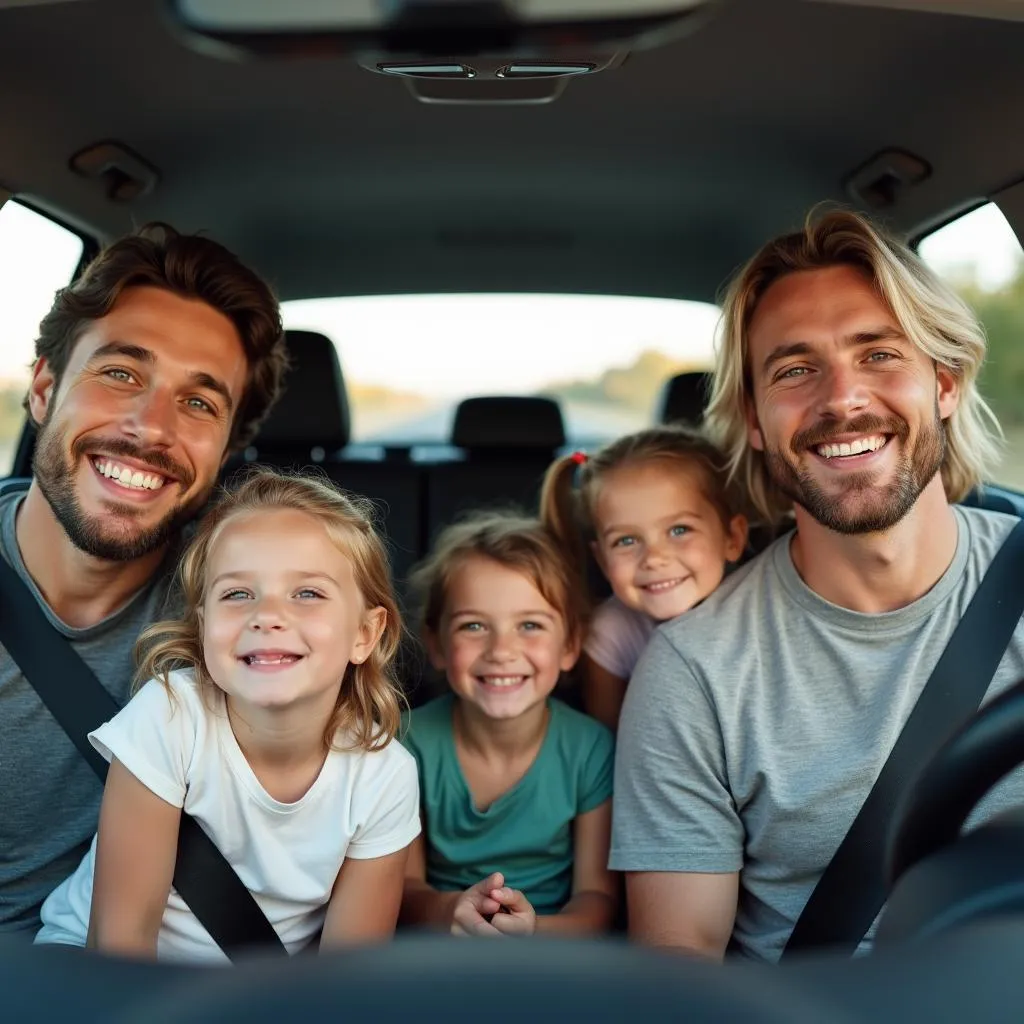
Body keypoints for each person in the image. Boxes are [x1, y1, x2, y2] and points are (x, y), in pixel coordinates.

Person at [610, 207, 1024, 963]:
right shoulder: (693, 673)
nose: (842, 399)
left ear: (945, 383)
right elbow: (680, 983)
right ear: (756, 420)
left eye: (878, 355)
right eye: (796, 370)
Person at [0, 224, 289, 935]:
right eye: (121, 373)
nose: (150, 427)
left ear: (227, 450)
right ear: (44, 388)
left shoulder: (252, 615)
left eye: (199, 403)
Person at [35, 469, 421, 962]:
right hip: (95, 971)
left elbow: (347, 983)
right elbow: (120, 945)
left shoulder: (384, 777)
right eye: (237, 594)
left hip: (257, 996)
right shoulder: (169, 717)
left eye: (308, 593)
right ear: (204, 626)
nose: (267, 614)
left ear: (364, 634)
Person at [399, 513, 617, 936]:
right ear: (436, 644)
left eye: (530, 625)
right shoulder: (404, 745)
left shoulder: (591, 750)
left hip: (555, 951)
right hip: (437, 947)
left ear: (571, 645)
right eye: (474, 626)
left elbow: (598, 900)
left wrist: (534, 933)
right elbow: (403, 889)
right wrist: (453, 913)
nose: (502, 650)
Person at [540, 427, 747, 730]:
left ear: (733, 538)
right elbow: (612, 737)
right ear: (601, 559)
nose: (654, 558)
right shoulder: (609, 632)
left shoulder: (759, 611)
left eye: (679, 530)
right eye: (626, 541)